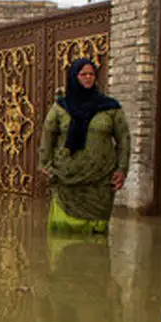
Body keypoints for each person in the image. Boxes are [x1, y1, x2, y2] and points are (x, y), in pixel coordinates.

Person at [37, 57, 131, 235]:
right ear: (74, 77)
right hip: (67, 180)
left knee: (96, 239)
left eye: (92, 74)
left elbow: (124, 139)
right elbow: (47, 136)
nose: (88, 78)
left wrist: (122, 169)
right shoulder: (60, 108)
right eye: (83, 74)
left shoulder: (110, 107)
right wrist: (45, 165)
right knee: (63, 240)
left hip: (100, 182)